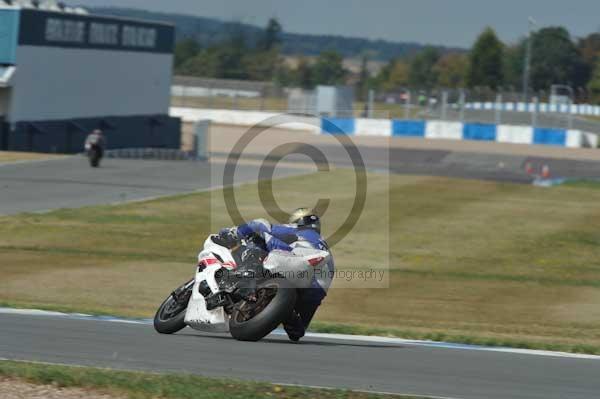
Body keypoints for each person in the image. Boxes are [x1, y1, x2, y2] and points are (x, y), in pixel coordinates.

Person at [218, 208, 334, 342]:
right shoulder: (324, 247)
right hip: (317, 288)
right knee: (297, 332)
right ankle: (288, 313)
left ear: (297, 221)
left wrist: (234, 232)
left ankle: (248, 274)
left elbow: (260, 224)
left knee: (257, 236)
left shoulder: (298, 230)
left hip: (294, 265)